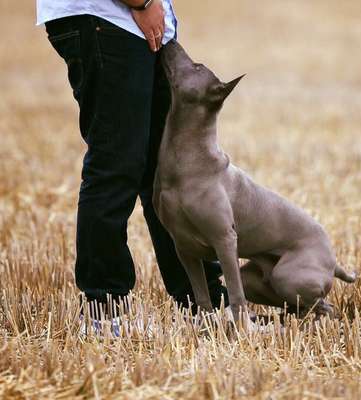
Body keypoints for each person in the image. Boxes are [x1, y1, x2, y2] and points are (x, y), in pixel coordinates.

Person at [36, 0, 228, 318]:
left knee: (167, 171)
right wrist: (143, 1)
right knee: (116, 165)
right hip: (108, 18)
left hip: (127, 24)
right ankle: (105, 309)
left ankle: (205, 304)